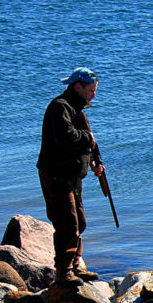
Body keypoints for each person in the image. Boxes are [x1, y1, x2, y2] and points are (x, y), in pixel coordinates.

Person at [36, 67, 104, 284]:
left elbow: (87, 141)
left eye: (95, 90)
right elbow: (67, 137)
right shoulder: (60, 107)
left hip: (72, 176)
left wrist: (95, 161)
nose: (94, 94)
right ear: (77, 86)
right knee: (67, 223)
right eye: (91, 90)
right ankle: (63, 272)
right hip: (56, 175)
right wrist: (87, 138)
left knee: (79, 222)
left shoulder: (76, 109)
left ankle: (75, 265)